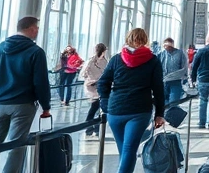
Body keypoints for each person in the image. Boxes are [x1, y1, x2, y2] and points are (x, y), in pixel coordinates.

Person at [0, 16, 51, 173]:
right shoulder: (36, 52)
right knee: (16, 144)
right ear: (32, 29)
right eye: (37, 28)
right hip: (22, 104)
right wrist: (45, 106)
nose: (38, 31)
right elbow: (40, 82)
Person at [96, 28, 166, 173]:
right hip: (139, 111)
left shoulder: (116, 59)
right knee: (129, 149)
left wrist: (105, 103)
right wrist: (159, 114)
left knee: (125, 150)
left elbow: (103, 83)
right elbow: (158, 89)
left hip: (115, 110)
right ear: (145, 40)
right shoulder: (152, 61)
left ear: (128, 39)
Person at [79, 43, 108, 139]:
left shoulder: (102, 61)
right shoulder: (92, 61)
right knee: (95, 108)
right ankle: (90, 129)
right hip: (93, 86)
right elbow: (83, 73)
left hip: (98, 86)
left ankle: (93, 129)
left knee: (97, 109)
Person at [158, 38, 188, 105]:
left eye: (169, 46)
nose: (167, 48)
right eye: (165, 46)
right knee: (164, 104)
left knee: (173, 103)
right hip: (163, 83)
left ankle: (172, 114)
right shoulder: (161, 54)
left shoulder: (179, 54)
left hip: (175, 82)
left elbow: (184, 67)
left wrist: (185, 79)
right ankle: (166, 114)